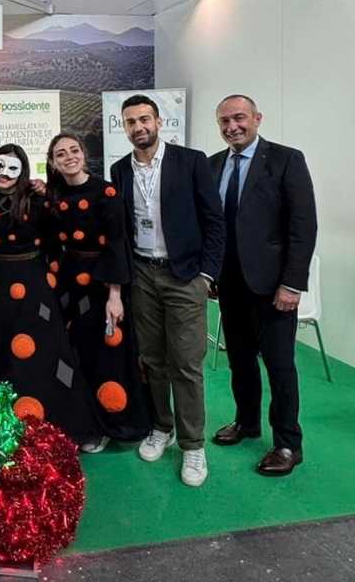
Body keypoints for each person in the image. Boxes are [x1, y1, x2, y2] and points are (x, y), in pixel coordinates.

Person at [111, 94, 225, 487]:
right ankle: (163, 427)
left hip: (185, 275)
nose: (138, 127)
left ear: (159, 122)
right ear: (124, 127)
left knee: (187, 364)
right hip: (143, 274)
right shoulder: (119, 170)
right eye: (131, 121)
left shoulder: (190, 162)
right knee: (153, 360)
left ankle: (193, 445)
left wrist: (206, 276)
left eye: (145, 119)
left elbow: (214, 221)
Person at [209, 94, 317, 476]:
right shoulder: (213, 165)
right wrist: (210, 274)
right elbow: (213, 227)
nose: (232, 127)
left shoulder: (286, 159)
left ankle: (288, 443)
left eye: (239, 118)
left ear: (257, 118)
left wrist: (292, 284)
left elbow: (303, 226)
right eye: (224, 121)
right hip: (229, 284)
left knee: (280, 366)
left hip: (273, 287)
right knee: (239, 361)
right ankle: (247, 422)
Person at [0, 144, 90, 442]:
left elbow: (56, 240)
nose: (4, 173)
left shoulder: (37, 201)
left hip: (34, 285)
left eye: (12, 167)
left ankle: (49, 424)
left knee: (42, 353)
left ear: (23, 170)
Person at [47, 132, 152, 453]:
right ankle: (88, 424)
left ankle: (114, 424)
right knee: (78, 355)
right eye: (61, 153)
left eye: (74, 150)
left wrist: (115, 295)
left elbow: (118, 244)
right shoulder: (53, 195)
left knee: (107, 356)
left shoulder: (106, 192)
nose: (69, 157)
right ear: (52, 162)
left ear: (84, 154)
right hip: (69, 286)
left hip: (103, 286)